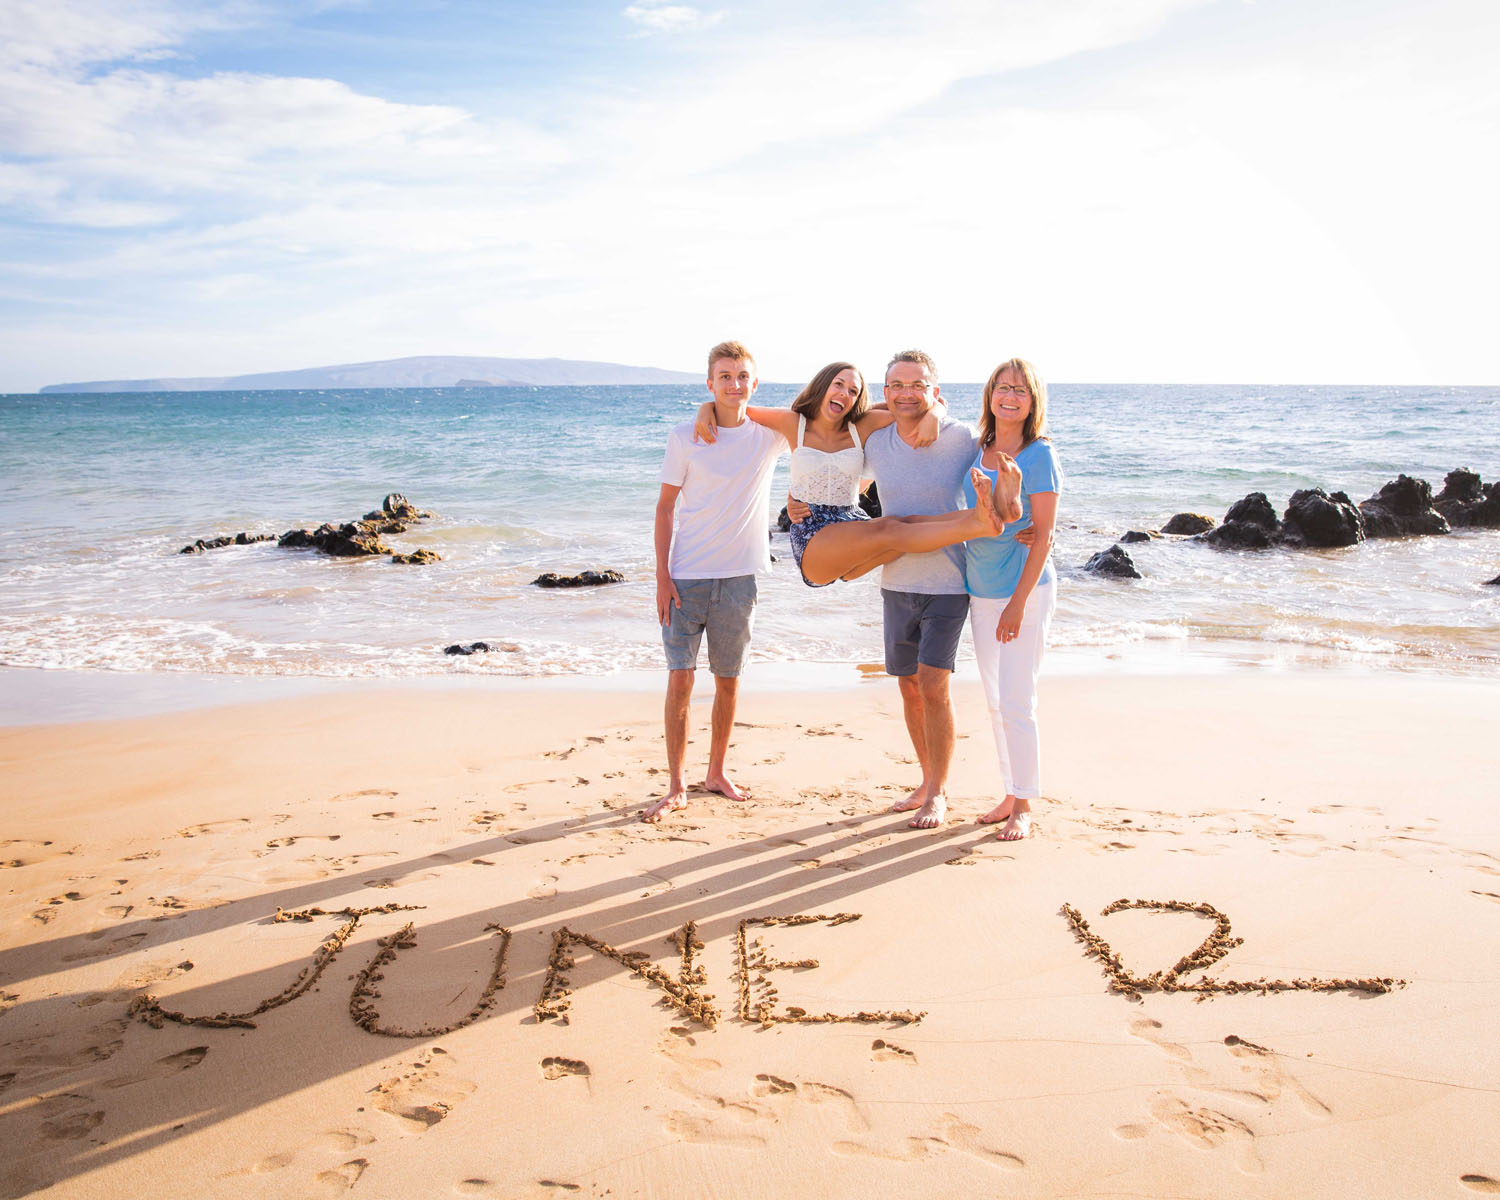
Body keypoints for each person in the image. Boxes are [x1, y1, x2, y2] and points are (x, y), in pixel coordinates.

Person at [788, 350, 1016, 830]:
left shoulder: (961, 438)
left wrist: (1034, 526)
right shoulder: (876, 442)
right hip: (896, 579)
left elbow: (1013, 461)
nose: (907, 393)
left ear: (935, 389)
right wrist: (797, 497)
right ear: (885, 392)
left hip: (949, 582)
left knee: (934, 685)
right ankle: (927, 779)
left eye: (918, 384)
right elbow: (836, 469)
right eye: (897, 385)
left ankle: (938, 794)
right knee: (910, 687)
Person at [693, 362, 1020, 586]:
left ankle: (983, 516)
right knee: (892, 528)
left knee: (905, 525)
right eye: (839, 385)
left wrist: (936, 413)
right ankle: (978, 524)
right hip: (815, 535)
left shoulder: (860, 426)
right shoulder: (794, 422)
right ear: (823, 386)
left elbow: (912, 402)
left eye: (853, 391)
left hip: (852, 522)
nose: (845, 394)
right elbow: (735, 410)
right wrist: (705, 408)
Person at [644, 341, 787, 824]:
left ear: (755, 383)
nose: (734, 384)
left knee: (728, 681)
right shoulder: (685, 437)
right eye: (724, 377)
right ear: (709, 383)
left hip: (741, 579)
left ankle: (716, 773)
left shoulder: (768, 437)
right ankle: (676, 785)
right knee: (680, 681)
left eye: (742, 376)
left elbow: (828, 419)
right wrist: (662, 575)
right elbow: (665, 508)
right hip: (686, 576)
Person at [962, 358, 1060, 842]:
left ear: (1032, 400)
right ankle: (1009, 790)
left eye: (1021, 390)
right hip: (980, 589)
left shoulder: (1040, 454)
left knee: (1018, 699)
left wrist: (1019, 603)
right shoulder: (977, 448)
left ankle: (1025, 804)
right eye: (1003, 387)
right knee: (996, 702)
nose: (1010, 396)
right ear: (990, 395)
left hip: (1024, 592)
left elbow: (1042, 537)